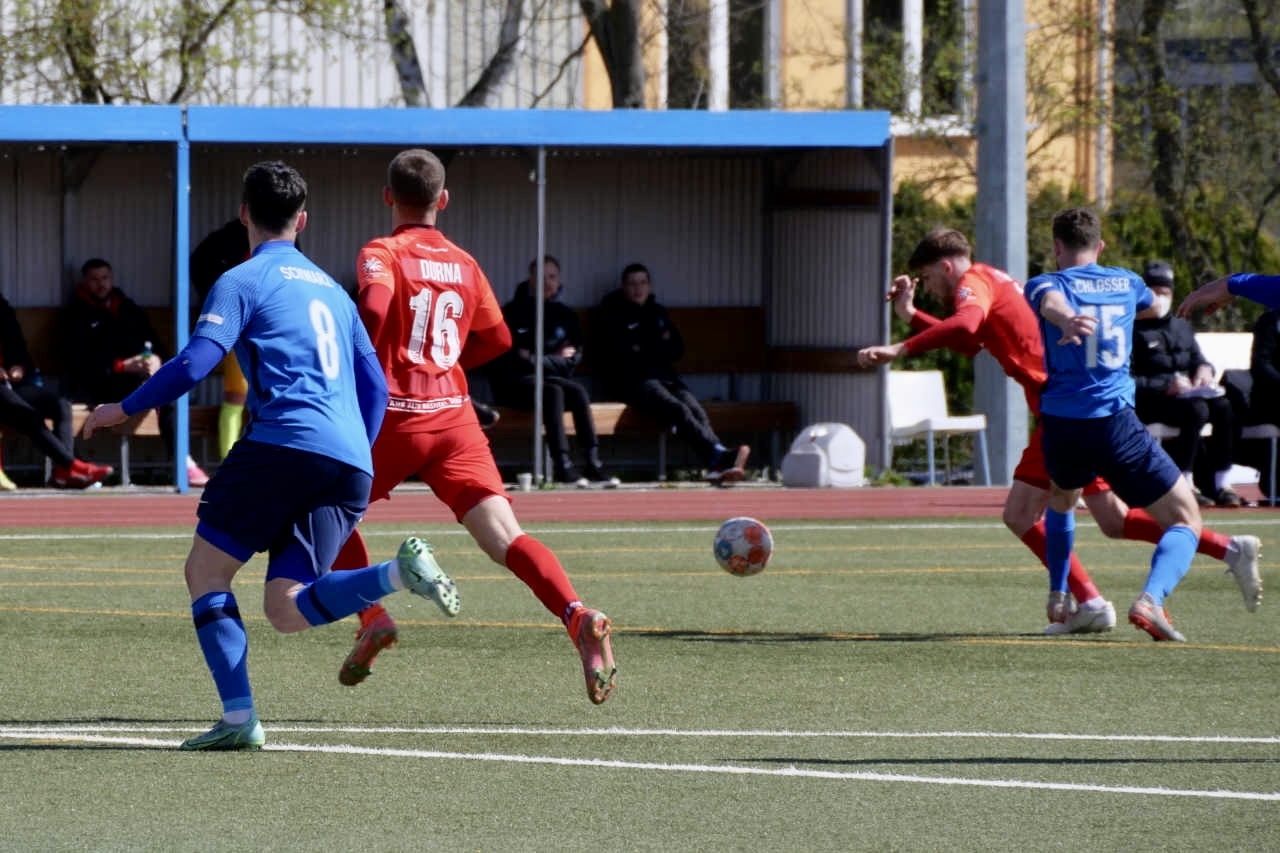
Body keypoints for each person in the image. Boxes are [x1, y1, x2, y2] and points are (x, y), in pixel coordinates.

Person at [81, 160, 461, 750]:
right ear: (302, 220)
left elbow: (196, 363)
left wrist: (123, 407)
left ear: (243, 215)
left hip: (282, 444)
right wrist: (357, 460)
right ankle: (395, 573)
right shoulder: (334, 292)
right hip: (349, 459)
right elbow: (375, 389)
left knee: (206, 572)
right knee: (286, 608)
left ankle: (239, 718)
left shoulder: (241, 280)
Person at [856, 227, 1262, 631]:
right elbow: (971, 341)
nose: (928, 287)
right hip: (1070, 406)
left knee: (1021, 514)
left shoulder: (973, 282)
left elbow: (965, 327)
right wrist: (910, 315)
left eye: (928, 278)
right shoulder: (990, 279)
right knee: (1113, 520)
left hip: (1064, 411)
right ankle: (1228, 550)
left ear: (946, 266)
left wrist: (899, 347)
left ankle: (1090, 601)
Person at [331, 148, 616, 704]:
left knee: (328, 513)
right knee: (506, 537)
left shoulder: (381, 252)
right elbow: (500, 339)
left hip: (395, 417)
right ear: (443, 199)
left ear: (388, 197)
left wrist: (356, 364)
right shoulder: (465, 263)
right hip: (455, 419)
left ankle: (372, 617)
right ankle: (576, 614)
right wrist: (447, 363)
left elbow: (374, 310)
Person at [1027, 207, 1211, 641]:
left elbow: (1050, 303)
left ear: (1057, 247)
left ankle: (1059, 594)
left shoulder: (1044, 283)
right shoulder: (1127, 282)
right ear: (1101, 246)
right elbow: (1155, 306)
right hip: (1114, 424)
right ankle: (1151, 600)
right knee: (1187, 518)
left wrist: (1066, 318)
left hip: (1062, 426)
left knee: (1063, 501)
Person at [59, 258, 210, 486]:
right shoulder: (75, 314)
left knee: (168, 392)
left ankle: (182, 462)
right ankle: (81, 471)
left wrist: (155, 360)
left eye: (105, 278)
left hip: (135, 381)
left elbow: (155, 344)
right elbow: (78, 362)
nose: (101, 284)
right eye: (94, 279)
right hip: (98, 386)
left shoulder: (128, 308)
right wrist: (121, 366)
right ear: (85, 282)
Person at [595, 262, 748, 483]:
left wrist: (644, 345)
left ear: (649, 286)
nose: (638, 288)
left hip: (666, 378)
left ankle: (717, 461)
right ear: (624, 287)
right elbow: (623, 355)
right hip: (634, 382)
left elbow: (676, 350)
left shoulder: (658, 313)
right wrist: (654, 344)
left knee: (695, 408)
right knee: (677, 409)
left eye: (643, 283)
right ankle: (720, 456)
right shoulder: (614, 314)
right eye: (632, 284)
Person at [488, 255, 618, 487]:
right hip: (515, 385)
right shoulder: (512, 312)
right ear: (531, 279)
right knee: (552, 392)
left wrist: (533, 358)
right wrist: (552, 357)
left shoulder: (566, 316)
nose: (547, 282)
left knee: (577, 391)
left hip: (551, 380)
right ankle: (562, 464)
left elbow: (570, 362)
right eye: (541, 277)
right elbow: (511, 359)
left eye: (552, 277)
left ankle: (592, 461)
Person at [1130, 260, 1242, 507]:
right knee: (1196, 410)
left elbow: (1198, 360)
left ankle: (1221, 482)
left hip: (1188, 397)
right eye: (1154, 292)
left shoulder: (1180, 325)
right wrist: (1165, 386)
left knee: (1223, 407)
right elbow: (1126, 379)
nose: (1160, 299)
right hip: (1151, 402)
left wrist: (1205, 370)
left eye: (1165, 293)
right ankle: (1184, 482)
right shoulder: (1130, 329)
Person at [0, 291, 113, 488]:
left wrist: (18, 367)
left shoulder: (2, 309)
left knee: (59, 403)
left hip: (11, 384)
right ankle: (73, 465)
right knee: (28, 415)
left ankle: (63, 472)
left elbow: (18, 349)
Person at [190, 218, 253, 460]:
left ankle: (268, 467)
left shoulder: (285, 233)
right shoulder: (229, 237)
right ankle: (229, 464)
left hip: (272, 326)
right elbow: (199, 263)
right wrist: (222, 300)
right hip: (238, 327)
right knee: (236, 395)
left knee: (272, 399)